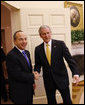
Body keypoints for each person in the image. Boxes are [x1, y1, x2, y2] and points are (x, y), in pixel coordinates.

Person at [34, 25, 79, 104]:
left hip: (62, 78)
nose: (46, 35)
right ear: (40, 35)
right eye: (44, 34)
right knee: (51, 101)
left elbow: (70, 60)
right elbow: (38, 64)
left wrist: (75, 73)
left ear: (51, 33)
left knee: (67, 101)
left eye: (48, 33)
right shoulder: (38, 49)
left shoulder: (60, 44)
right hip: (48, 81)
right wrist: (36, 71)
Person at [6, 30, 39, 104]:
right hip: (19, 92)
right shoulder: (11, 55)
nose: (24, 41)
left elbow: (28, 70)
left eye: (25, 39)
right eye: (21, 39)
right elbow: (17, 74)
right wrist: (33, 76)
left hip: (29, 89)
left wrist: (32, 82)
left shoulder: (27, 53)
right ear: (15, 41)